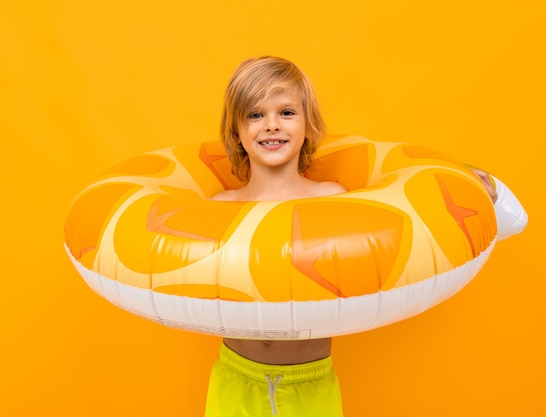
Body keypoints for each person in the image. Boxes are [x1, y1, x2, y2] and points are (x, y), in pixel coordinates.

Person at [204, 56, 497, 417]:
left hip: (309, 381)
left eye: (286, 113)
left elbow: (409, 206)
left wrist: (464, 181)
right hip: (235, 378)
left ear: (309, 125)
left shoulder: (331, 197)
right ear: (235, 130)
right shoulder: (220, 207)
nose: (271, 125)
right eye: (254, 114)